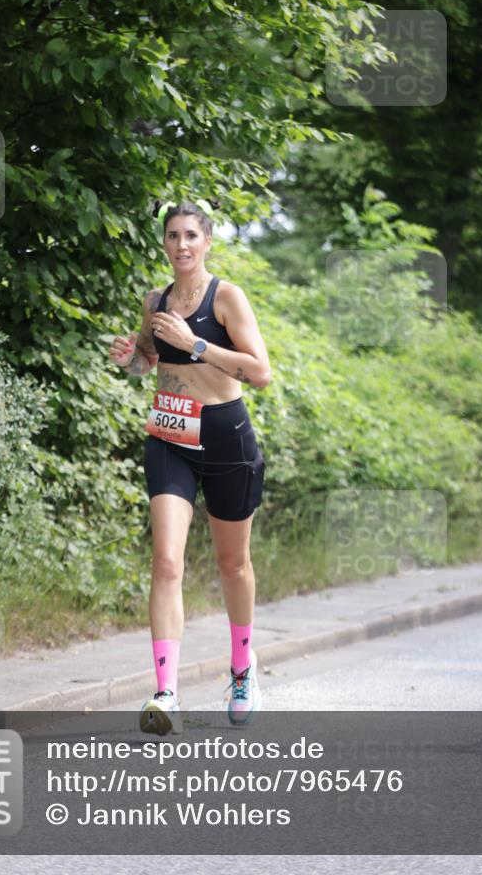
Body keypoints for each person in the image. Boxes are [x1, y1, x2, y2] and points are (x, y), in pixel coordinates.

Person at [108, 197, 271, 735]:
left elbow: (260, 372)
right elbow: (149, 363)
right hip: (171, 439)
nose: (182, 245)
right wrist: (130, 354)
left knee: (233, 566)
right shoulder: (155, 299)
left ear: (207, 242)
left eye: (191, 237)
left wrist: (196, 341)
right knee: (167, 562)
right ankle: (165, 693)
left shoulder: (227, 297)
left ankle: (243, 670)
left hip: (227, 441)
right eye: (173, 236)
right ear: (164, 243)